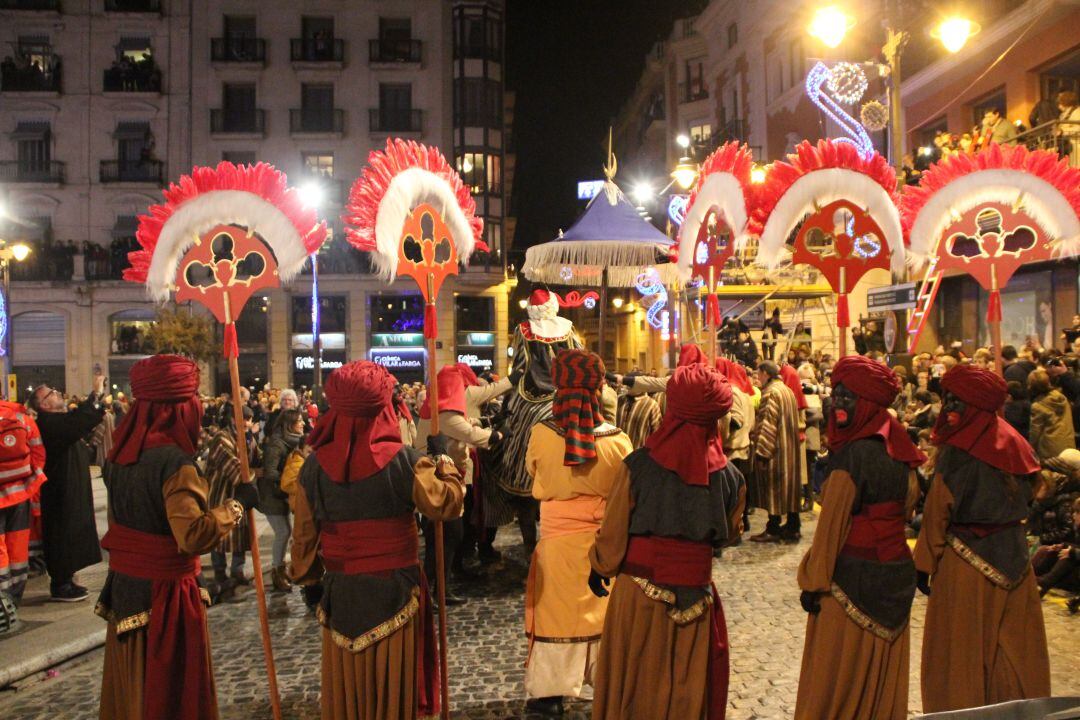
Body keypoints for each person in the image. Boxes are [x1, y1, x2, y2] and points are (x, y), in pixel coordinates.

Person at [288, 361, 464, 720]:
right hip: (395, 590)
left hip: (341, 592)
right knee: (393, 689)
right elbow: (445, 504)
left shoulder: (312, 467)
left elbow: (304, 537)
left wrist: (307, 578)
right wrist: (442, 458)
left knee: (350, 689)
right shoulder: (407, 463)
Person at [95, 355, 254, 720]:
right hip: (164, 596)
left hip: (127, 588)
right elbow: (192, 536)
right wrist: (236, 506)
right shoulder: (174, 462)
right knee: (167, 691)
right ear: (179, 408)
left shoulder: (119, 457)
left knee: (134, 686)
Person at [589, 363, 745, 719]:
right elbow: (730, 533)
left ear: (671, 410)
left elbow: (613, 535)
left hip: (640, 597)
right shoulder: (732, 478)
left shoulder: (637, 467)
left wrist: (599, 565)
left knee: (638, 685)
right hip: (697, 598)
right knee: (686, 690)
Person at [794, 356, 925, 720]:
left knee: (837, 679)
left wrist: (813, 581)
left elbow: (831, 528)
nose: (837, 403)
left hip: (851, 578)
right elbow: (907, 507)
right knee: (880, 679)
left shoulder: (852, 458)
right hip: (897, 573)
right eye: (836, 394)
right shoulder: (902, 451)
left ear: (867, 403)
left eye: (847, 397)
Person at [914, 364, 1050, 712]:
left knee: (961, 654)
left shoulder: (957, 452)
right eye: (947, 401)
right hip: (1016, 561)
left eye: (956, 402)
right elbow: (1038, 488)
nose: (949, 410)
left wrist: (925, 563)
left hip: (965, 567)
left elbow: (936, 513)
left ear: (975, 405)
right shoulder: (1013, 441)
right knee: (1014, 649)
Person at [522, 350, 632, 715]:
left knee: (556, 616)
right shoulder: (619, 441)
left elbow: (532, 472)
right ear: (599, 387)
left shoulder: (540, 433)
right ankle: (607, 686)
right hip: (603, 550)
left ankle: (549, 695)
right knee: (602, 618)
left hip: (555, 544)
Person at [491, 288, 583, 553]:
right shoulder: (568, 328)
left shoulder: (522, 330)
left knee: (513, 428)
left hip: (530, 397)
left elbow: (520, 366)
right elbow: (579, 357)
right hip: (565, 394)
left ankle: (518, 475)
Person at [419, 363, 511, 604]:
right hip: (439, 483)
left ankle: (443, 584)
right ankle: (434, 591)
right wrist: (499, 433)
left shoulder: (442, 410)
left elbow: (468, 422)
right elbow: (471, 435)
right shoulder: (445, 415)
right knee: (446, 536)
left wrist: (488, 420)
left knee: (449, 536)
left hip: (445, 479)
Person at [30, 377, 106, 601]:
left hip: (70, 487)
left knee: (72, 531)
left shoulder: (57, 420)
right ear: (43, 405)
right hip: (59, 491)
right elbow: (79, 422)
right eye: (51, 392)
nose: (57, 392)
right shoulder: (48, 423)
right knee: (62, 532)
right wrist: (96, 394)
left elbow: (80, 421)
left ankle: (68, 578)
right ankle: (61, 583)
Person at [750, 361, 803, 543]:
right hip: (790, 449)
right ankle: (793, 526)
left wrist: (762, 452)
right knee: (790, 490)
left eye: (758, 374)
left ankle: (773, 528)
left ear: (765, 373)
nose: (757, 379)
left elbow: (768, 424)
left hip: (777, 451)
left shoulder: (771, 393)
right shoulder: (787, 390)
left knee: (775, 489)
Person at [0, 400, 45, 609]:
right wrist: (30, 483)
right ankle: (15, 597)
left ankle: (2, 597)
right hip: (20, 494)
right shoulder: (22, 417)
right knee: (18, 545)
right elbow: (38, 453)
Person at [204, 408, 253, 597]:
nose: (247, 423)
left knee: (240, 531)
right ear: (234, 419)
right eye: (244, 419)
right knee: (220, 533)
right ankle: (219, 572)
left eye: (249, 419)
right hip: (220, 493)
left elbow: (254, 458)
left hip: (238, 494)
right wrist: (250, 479)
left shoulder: (245, 437)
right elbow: (234, 468)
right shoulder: (221, 439)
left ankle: (237, 570)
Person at [259, 407, 304, 592]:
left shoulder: (291, 442)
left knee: (286, 532)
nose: (302, 423)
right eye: (299, 420)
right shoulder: (277, 443)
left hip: (281, 494)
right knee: (283, 532)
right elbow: (270, 472)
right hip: (272, 495)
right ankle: (277, 573)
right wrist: (288, 481)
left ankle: (281, 570)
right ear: (290, 424)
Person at [1028, 368, 1075, 463]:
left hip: (1050, 451)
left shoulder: (1037, 406)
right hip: (1068, 446)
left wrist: (1030, 451)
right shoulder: (1062, 398)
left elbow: (1035, 433)